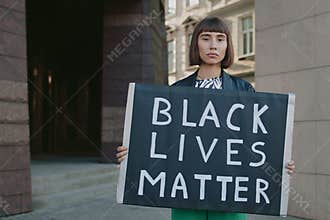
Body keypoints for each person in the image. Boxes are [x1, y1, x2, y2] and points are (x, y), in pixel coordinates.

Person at [115, 16, 295, 220]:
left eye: (220, 39)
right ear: (195, 44)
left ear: (227, 45)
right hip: (186, 190)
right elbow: (164, 138)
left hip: (229, 192)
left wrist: (278, 159)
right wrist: (134, 153)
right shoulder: (177, 91)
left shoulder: (244, 90)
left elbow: (253, 139)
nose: (213, 45)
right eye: (206, 38)